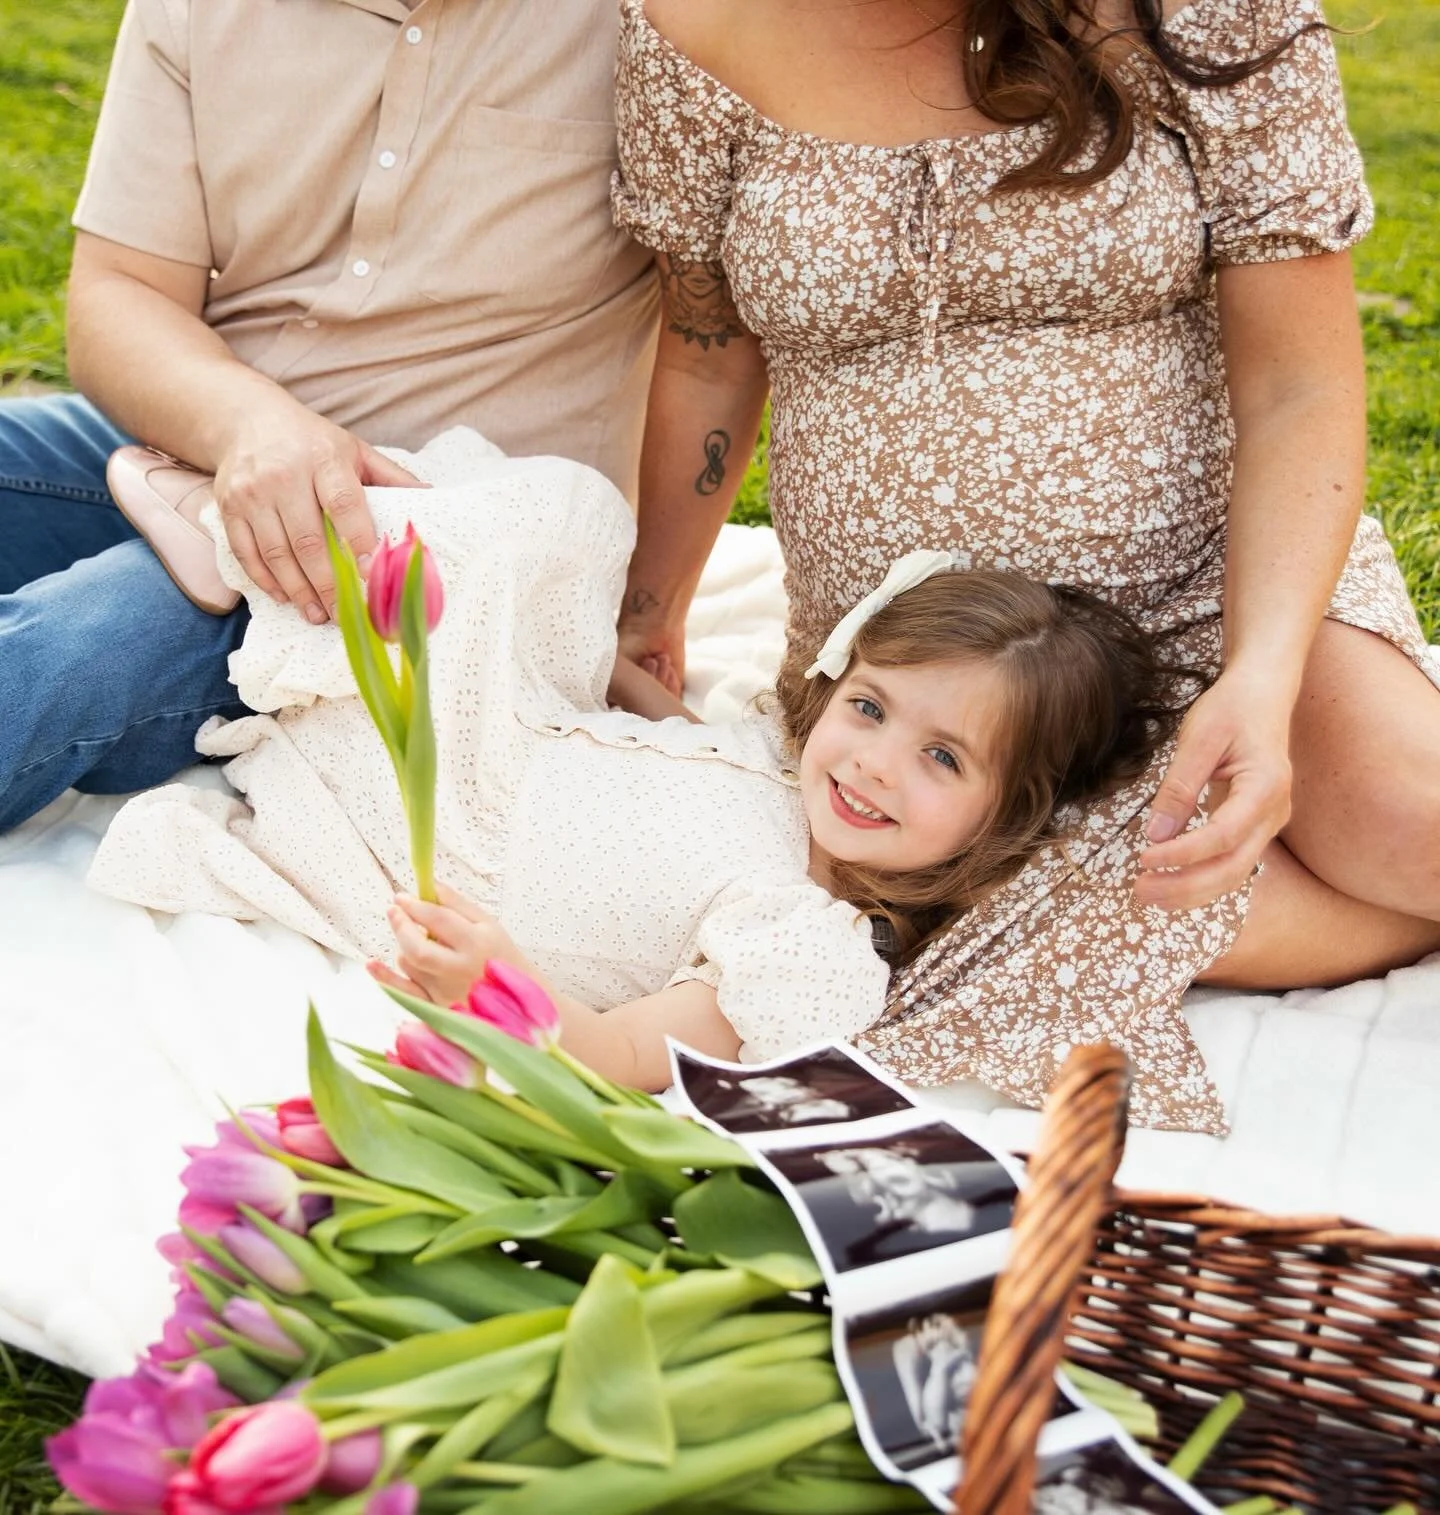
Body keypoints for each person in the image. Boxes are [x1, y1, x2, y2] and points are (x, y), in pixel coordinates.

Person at [608, 0, 1440, 1128]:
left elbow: (1300, 387)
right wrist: (652, 610)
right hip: (923, 679)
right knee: (1000, 900)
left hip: (1216, 583)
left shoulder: (1212, 18)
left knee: (1413, 824)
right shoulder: (692, 32)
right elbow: (708, 355)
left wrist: (1263, 673)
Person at [87, 432, 1178, 1095]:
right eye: (871, 707)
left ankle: (251, 552)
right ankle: (300, 526)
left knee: (534, 534)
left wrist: (496, 983)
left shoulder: (811, 947)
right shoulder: (786, 761)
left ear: (1001, 820)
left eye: (941, 756)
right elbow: (654, 732)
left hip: (441, 831)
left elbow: (612, 1054)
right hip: (504, 737)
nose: (875, 763)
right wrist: (601, 649)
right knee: (576, 518)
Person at [0, 0, 656, 833]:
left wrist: (648, 611)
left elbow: (718, 347)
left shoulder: (651, 20)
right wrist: (252, 427)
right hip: (205, 436)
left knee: (64, 649)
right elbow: (118, 291)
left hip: (431, 542)